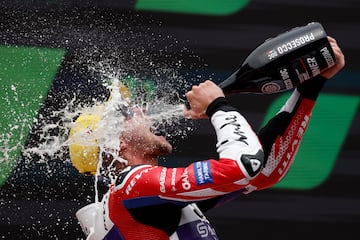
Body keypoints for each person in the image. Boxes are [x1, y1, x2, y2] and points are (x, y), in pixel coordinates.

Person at [70, 36, 344, 240]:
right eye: (128, 113)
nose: (141, 111)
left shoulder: (147, 196)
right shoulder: (134, 186)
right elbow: (244, 164)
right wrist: (217, 107)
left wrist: (310, 86)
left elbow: (265, 171)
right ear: (120, 145)